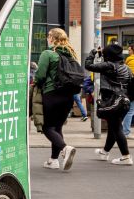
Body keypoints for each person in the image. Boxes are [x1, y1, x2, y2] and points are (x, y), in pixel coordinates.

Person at [33, 28, 78, 171]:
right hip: (68, 97)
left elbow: (40, 75)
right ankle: (53, 160)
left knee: (47, 127)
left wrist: (36, 83)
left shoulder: (48, 53)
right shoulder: (71, 55)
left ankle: (65, 148)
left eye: (48, 36)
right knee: (57, 127)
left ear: (53, 38)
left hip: (51, 95)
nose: (47, 38)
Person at [86, 43, 131, 165]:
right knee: (113, 127)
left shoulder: (109, 65)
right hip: (124, 102)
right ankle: (105, 152)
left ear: (109, 55)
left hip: (112, 101)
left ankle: (126, 156)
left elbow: (88, 66)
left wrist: (93, 53)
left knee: (116, 128)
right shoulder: (126, 68)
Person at [123, 44, 134, 137]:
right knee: (130, 111)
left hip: (131, 88)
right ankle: (125, 131)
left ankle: (125, 131)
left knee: (130, 110)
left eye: (130, 50)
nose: (128, 52)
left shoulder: (129, 60)